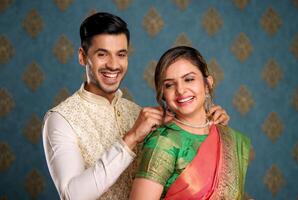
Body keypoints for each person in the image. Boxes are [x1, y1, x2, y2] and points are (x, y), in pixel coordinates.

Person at [42, 13, 230, 200]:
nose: (113, 65)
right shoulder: (60, 119)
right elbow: (72, 195)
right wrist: (130, 139)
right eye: (102, 54)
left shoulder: (137, 112)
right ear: (83, 57)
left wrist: (210, 122)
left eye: (121, 55)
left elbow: (186, 170)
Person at [130, 46, 251, 200]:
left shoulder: (225, 136)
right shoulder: (163, 141)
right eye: (169, 84)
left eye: (189, 79)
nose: (180, 90)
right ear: (163, 94)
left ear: (207, 84)